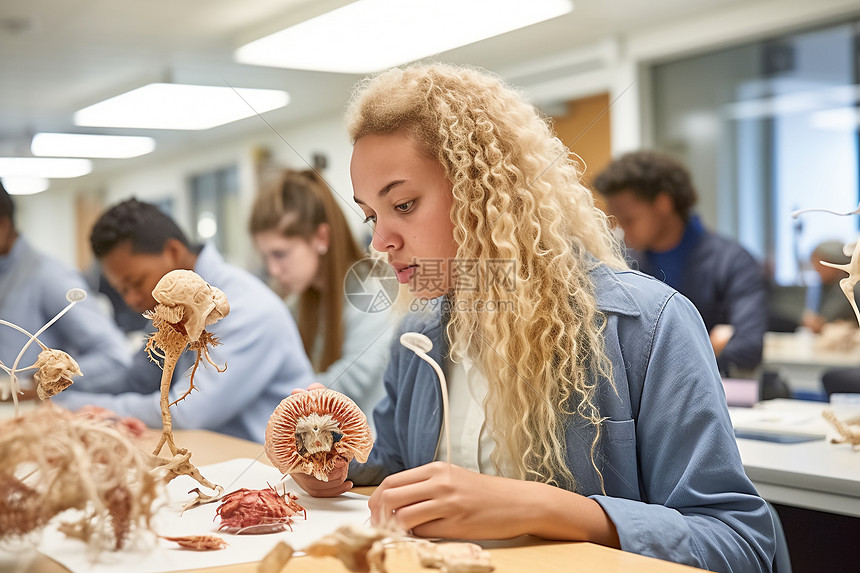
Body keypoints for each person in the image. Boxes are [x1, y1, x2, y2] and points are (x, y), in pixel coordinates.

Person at [288, 64, 775, 572]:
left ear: (481, 192)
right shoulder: (419, 335)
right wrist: (338, 465)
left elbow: (738, 544)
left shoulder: (647, 326)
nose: (379, 242)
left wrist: (539, 508)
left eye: (404, 204)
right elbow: (394, 458)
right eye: (370, 215)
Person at [50, 198, 315, 443]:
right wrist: (58, 388)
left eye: (135, 283)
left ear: (173, 252)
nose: (131, 300)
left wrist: (70, 405)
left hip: (265, 468)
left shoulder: (245, 308)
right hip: (213, 451)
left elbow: (186, 412)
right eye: (122, 290)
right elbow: (137, 379)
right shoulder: (173, 302)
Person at [593, 150, 768, 377]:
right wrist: (710, 344)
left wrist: (651, 357)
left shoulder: (732, 262)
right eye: (616, 221)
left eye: (629, 220)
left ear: (663, 203)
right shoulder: (624, 265)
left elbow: (748, 348)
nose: (621, 232)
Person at [249, 168, 393, 420]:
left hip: (368, 451)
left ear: (321, 237)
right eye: (266, 256)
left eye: (280, 254)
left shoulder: (373, 292)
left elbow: (348, 382)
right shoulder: (299, 300)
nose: (273, 269)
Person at [0, 181, 130, 396]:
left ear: (3, 225)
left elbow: (115, 355)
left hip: (33, 416)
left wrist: (38, 385)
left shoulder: (49, 276)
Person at [802, 240, 857, 333]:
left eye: (819, 266)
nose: (816, 270)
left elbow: (822, 322)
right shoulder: (824, 286)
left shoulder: (850, 286)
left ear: (834, 263)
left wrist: (817, 323)